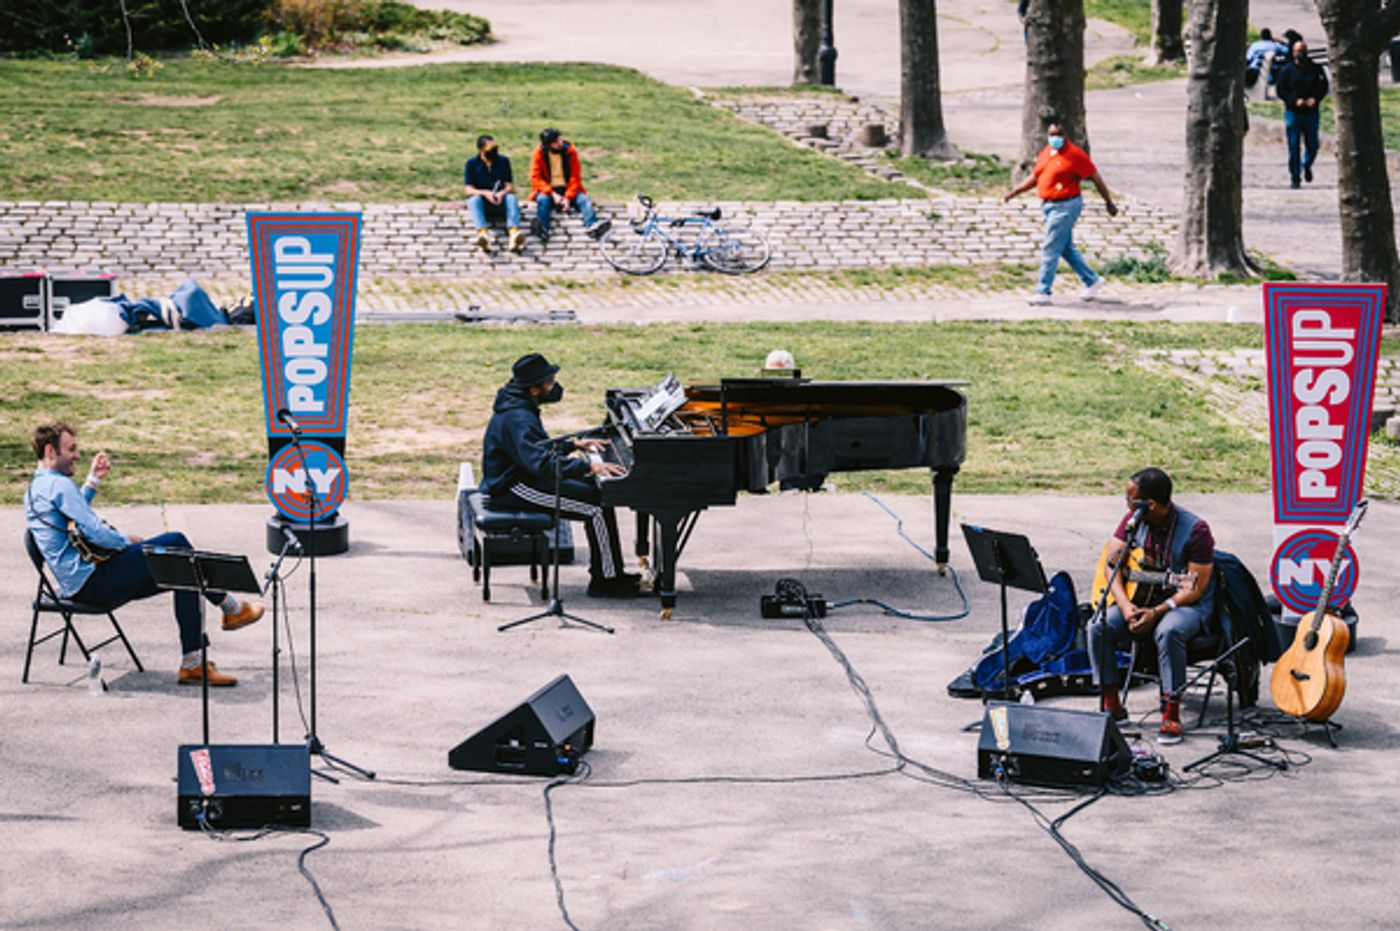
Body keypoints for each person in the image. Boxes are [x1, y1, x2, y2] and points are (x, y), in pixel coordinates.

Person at [23, 422, 264, 687]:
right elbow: (94, 532)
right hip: (94, 584)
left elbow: (73, 516)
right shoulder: (60, 486)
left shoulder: (35, 490)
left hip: (79, 585)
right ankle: (229, 611)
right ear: (50, 451)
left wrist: (92, 481)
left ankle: (196, 660)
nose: (77, 455)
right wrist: (129, 540)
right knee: (177, 542)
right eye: (71, 449)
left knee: (182, 569)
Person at [479, 353, 641, 597]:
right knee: (594, 509)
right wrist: (588, 467)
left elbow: (536, 448)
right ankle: (605, 582)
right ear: (534, 390)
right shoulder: (518, 418)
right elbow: (541, 463)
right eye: (550, 382)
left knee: (599, 494)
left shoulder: (520, 406)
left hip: (526, 476)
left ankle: (611, 572)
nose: (555, 387)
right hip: (513, 487)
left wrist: (574, 445)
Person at [1087, 467, 1216, 745]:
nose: (1127, 506)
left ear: (1151, 504)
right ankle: (1113, 706)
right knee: (1098, 627)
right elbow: (1112, 565)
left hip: (1183, 606)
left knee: (1169, 631)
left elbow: (1195, 587)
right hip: (1138, 601)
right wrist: (1124, 606)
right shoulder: (1133, 522)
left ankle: (1171, 713)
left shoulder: (1196, 530)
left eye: (1131, 501)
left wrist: (1158, 611)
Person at [1003, 117, 1118, 306]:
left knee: (1050, 246)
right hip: (1048, 205)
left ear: (1066, 135)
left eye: (1059, 135)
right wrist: (1016, 191)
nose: (1055, 138)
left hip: (1066, 205)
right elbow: (1036, 176)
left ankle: (1043, 291)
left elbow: (1096, 178)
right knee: (1064, 247)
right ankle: (1092, 280)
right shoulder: (1046, 152)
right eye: (1051, 135)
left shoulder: (1075, 155)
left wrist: (1108, 202)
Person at [528, 128, 612, 243]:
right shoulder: (538, 154)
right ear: (548, 145)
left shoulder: (570, 152)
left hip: (568, 188)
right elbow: (535, 178)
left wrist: (568, 197)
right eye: (556, 142)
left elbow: (575, 177)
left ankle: (592, 225)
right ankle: (542, 228)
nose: (560, 143)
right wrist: (552, 194)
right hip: (548, 190)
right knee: (543, 200)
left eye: (560, 139)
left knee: (584, 200)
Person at [1277, 40, 1329, 189]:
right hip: (1293, 113)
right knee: (1294, 146)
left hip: (1311, 112)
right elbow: (1281, 91)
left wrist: (1315, 98)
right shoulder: (1286, 70)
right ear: (1293, 53)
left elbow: (1323, 87)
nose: (1301, 54)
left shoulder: (1316, 69)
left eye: (1303, 51)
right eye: (1298, 51)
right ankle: (1295, 177)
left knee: (1313, 145)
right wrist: (1294, 101)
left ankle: (1306, 164)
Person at [464, 134, 525, 254]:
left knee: (511, 198)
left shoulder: (503, 161)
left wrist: (502, 193)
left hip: (500, 200)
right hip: (483, 202)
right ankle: (483, 234)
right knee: (473, 200)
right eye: (490, 149)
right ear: (481, 150)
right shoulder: (471, 164)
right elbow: (468, 189)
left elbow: (509, 186)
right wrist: (485, 193)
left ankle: (513, 233)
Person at [1245, 28, 1288, 96]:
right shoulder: (1274, 45)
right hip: (1269, 73)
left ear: (1261, 36)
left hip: (1253, 72)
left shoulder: (1255, 45)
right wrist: (1281, 42)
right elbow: (1287, 50)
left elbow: (1248, 58)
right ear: (1270, 36)